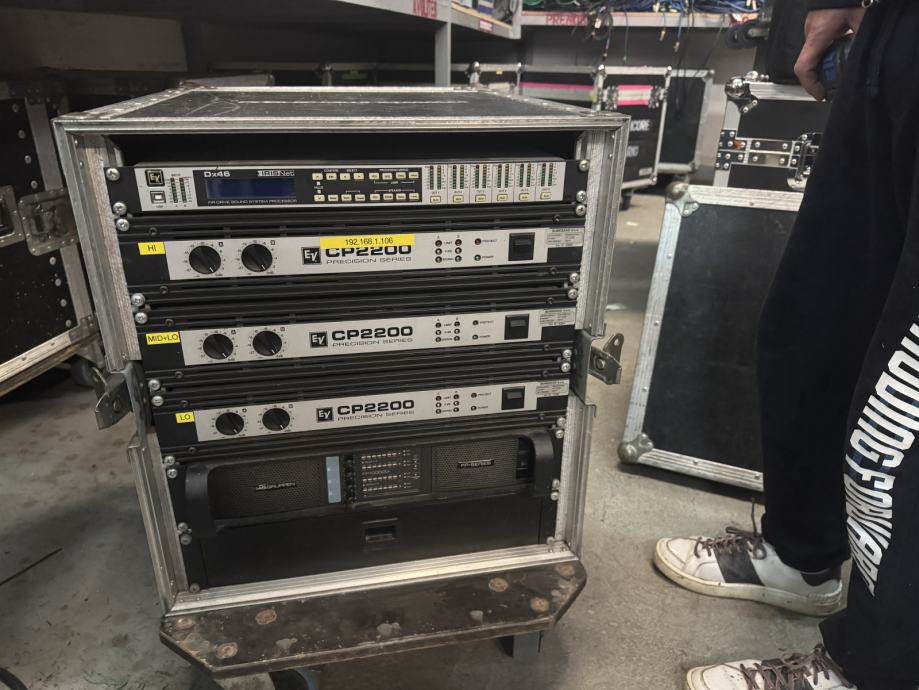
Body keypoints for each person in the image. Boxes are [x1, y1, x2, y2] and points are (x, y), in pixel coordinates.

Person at [653, 0, 919, 688]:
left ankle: (879, 667)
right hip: (895, 27)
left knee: (902, 405)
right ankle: (803, 554)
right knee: (818, 315)